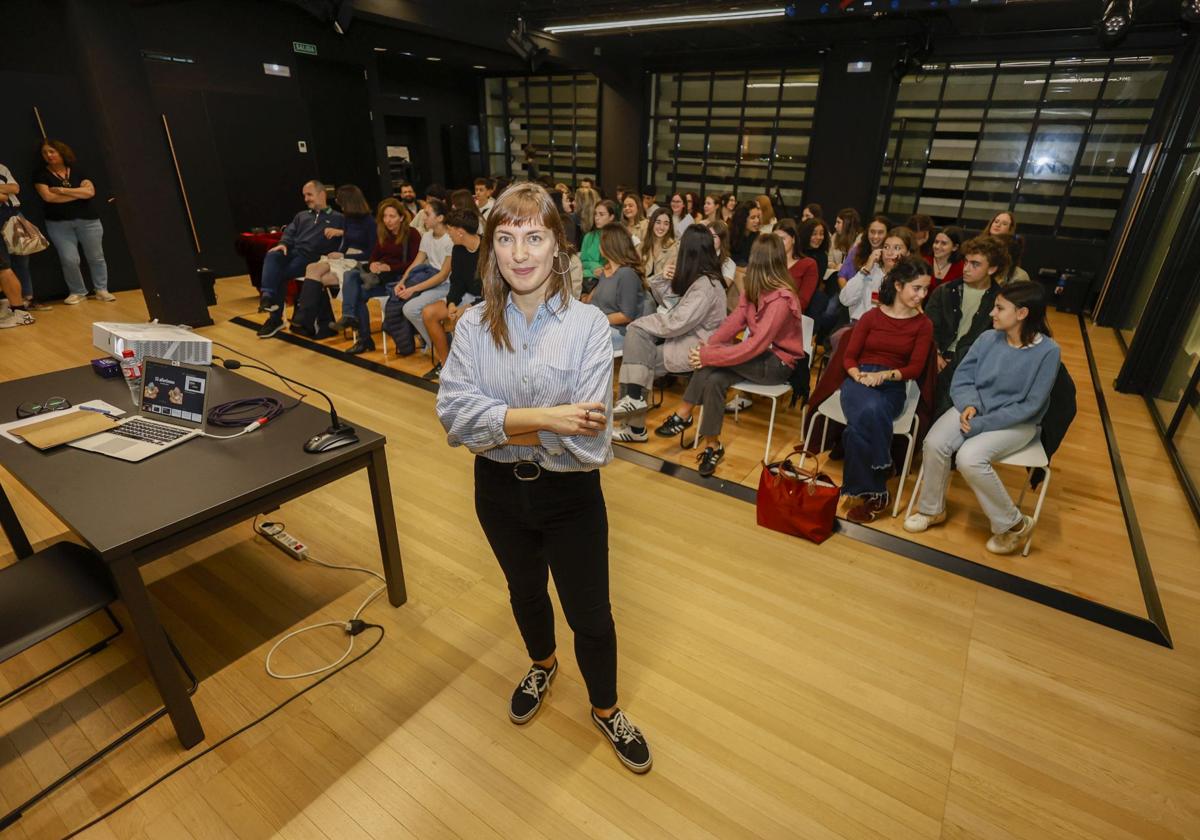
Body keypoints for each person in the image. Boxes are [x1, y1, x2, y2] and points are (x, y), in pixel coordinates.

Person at [434, 182, 652, 774]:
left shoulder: (586, 326)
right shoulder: (476, 325)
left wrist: (497, 423)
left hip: (569, 497)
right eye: (505, 238)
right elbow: (453, 417)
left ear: (558, 246)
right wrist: (545, 418)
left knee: (592, 613)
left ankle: (605, 708)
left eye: (533, 237)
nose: (519, 252)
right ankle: (543, 664)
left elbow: (590, 436)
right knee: (524, 592)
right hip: (498, 494)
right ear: (492, 249)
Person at [904, 280, 1060, 555]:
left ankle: (1011, 524)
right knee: (935, 442)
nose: (992, 313)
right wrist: (970, 405)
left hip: (1016, 423)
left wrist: (981, 423)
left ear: (1022, 313)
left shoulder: (1048, 351)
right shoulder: (988, 338)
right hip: (974, 411)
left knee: (969, 457)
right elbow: (963, 378)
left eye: (999, 308)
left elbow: (1031, 406)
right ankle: (932, 510)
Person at [654, 235, 807, 477]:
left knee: (709, 362)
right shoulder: (755, 289)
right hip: (757, 357)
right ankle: (713, 445)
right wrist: (708, 347)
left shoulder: (782, 298)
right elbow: (732, 323)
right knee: (714, 379)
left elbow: (755, 346)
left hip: (778, 363)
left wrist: (707, 355)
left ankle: (683, 413)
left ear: (756, 260)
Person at [837, 256, 934, 522]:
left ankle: (875, 485)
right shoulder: (871, 316)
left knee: (858, 427)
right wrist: (859, 375)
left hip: (892, 386)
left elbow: (914, 368)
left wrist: (885, 375)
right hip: (857, 381)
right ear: (900, 285)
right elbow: (849, 357)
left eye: (926, 289)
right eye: (917, 288)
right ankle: (880, 478)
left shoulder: (923, 325)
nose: (922, 294)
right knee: (869, 407)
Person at [611, 225, 727, 442]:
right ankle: (633, 410)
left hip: (698, 347)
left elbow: (676, 321)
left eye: (681, 246)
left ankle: (634, 421)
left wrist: (641, 323)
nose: (678, 249)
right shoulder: (700, 278)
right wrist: (664, 277)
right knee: (638, 352)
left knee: (639, 352)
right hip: (686, 339)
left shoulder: (706, 285)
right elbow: (669, 302)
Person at [925, 235, 1009, 413]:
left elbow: (997, 342)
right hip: (938, 357)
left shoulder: (1001, 301)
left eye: (975, 264)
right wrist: (937, 354)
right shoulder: (945, 291)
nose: (966, 269)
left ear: (992, 269)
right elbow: (929, 327)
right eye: (966, 262)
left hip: (973, 365)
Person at [255, 179, 345, 337]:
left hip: (313, 258)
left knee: (279, 274)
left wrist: (342, 233)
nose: (306, 199)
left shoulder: (339, 218)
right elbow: (289, 233)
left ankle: (274, 317)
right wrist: (283, 243)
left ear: (322, 194)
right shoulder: (301, 216)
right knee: (273, 254)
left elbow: (354, 237)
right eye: (304, 195)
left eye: (309, 195)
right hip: (294, 252)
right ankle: (268, 297)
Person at [32, 139, 116, 305]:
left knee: (96, 257)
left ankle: (101, 289)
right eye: (45, 153)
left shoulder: (78, 170)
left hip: (88, 221)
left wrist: (63, 190)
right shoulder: (41, 175)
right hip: (58, 224)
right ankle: (77, 291)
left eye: (52, 151)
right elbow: (48, 197)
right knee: (69, 259)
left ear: (61, 152)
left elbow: (90, 192)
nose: (48, 155)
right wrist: (78, 193)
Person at [335, 198, 421, 354]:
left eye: (392, 216)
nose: (387, 220)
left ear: (401, 217)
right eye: (385, 216)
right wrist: (374, 264)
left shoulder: (412, 234)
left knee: (357, 290)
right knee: (351, 276)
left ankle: (353, 322)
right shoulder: (383, 234)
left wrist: (390, 267)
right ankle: (361, 333)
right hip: (380, 277)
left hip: (398, 279)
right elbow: (373, 256)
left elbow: (414, 264)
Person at [290, 184, 376, 338]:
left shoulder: (369, 221)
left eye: (340, 200)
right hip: (345, 258)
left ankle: (310, 319)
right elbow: (346, 243)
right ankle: (309, 319)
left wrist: (343, 256)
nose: (336, 201)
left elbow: (370, 253)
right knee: (312, 268)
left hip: (359, 262)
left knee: (318, 279)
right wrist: (339, 253)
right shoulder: (348, 219)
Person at [419, 207, 483, 380]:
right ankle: (446, 365)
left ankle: (471, 372)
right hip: (467, 296)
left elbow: (493, 293)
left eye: (450, 230)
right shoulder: (459, 249)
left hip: (486, 301)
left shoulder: (488, 250)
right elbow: (457, 281)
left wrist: (467, 308)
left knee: (463, 318)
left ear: (460, 232)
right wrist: (452, 302)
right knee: (428, 313)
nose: (449, 234)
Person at [397, 198, 458, 348]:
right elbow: (417, 262)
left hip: (446, 285)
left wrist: (413, 288)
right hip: (431, 282)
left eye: (427, 214)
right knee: (401, 305)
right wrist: (403, 281)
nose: (423, 217)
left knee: (410, 309)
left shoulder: (450, 239)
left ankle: (439, 346)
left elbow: (443, 275)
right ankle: (438, 345)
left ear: (440, 218)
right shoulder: (426, 236)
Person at [582, 226, 644, 351]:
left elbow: (626, 315)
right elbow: (595, 299)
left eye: (602, 241)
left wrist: (595, 321)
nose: (599, 245)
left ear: (610, 245)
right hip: (599, 328)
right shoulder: (606, 271)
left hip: (616, 332)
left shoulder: (626, 274)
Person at [839, 226, 916, 324]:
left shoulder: (909, 278)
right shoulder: (870, 270)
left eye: (897, 248)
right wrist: (866, 269)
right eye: (886, 247)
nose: (889, 252)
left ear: (908, 253)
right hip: (859, 324)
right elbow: (845, 299)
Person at [0, 162, 49, 311]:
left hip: (13, 215)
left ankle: (28, 298)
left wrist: (5, 191)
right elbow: (3, 196)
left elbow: (15, 188)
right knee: (4, 264)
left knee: (22, 258)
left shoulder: (2, 167)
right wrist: (5, 190)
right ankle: (10, 303)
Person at [772, 219, 819, 313]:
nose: (778, 243)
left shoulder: (808, 264)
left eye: (782, 239)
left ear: (793, 239)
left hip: (791, 316)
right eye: (775, 240)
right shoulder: (769, 262)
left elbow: (803, 302)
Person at [837, 214, 890, 290]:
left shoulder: (890, 256)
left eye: (880, 232)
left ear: (887, 234)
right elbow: (842, 277)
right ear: (867, 232)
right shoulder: (857, 250)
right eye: (872, 232)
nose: (875, 236)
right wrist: (848, 296)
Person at [580, 196, 615, 280]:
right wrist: (594, 267)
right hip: (587, 278)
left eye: (601, 214)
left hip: (609, 278)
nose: (596, 218)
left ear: (611, 217)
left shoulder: (617, 237)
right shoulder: (589, 236)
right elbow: (582, 261)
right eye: (595, 214)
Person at [640, 207, 677, 280]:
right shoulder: (642, 245)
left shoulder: (674, 248)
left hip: (661, 289)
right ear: (652, 223)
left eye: (666, 224)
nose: (661, 227)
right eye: (658, 222)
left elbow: (667, 279)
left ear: (670, 227)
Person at [928, 226, 965, 290]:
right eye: (936, 242)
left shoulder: (961, 268)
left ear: (955, 247)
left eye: (944, 243)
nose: (937, 246)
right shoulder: (925, 261)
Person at [795, 217, 829, 286]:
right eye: (814, 234)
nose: (819, 237)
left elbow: (814, 284)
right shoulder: (795, 252)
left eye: (821, 234)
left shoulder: (822, 257)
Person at [705, 218, 737, 289]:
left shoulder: (729, 264)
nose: (709, 240)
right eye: (708, 235)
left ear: (722, 239)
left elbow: (721, 289)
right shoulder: (699, 256)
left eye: (713, 237)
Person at [729, 200, 762, 267]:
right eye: (753, 218)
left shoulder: (759, 239)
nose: (757, 221)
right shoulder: (729, 236)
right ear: (742, 219)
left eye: (758, 217)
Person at [830, 208, 862, 273]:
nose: (835, 226)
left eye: (838, 222)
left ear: (848, 224)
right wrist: (835, 266)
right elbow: (828, 260)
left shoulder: (861, 239)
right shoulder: (835, 236)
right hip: (835, 274)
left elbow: (858, 264)